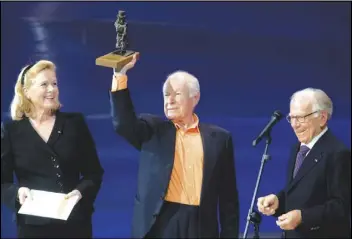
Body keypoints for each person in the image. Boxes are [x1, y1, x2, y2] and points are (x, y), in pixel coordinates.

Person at [109, 54, 239, 238]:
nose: (169, 100)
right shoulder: (152, 130)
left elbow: (228, 198)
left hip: (200, 226)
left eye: (177, 94)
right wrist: (120, 75)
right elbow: (123, 123)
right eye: (166, 95)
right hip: (160, 223)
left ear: (195, 98)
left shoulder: (219, 139)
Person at [1, 60, 104, 238]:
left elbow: (94, 173)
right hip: (33, 226)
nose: (52, 89)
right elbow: (3, 182)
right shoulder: (11, 131)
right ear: (27, 92)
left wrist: (80, 193)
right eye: (44, 84)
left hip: (75, 222)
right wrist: (17, 193)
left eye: (54, 83)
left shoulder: (75, 123)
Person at [257, 88, 351, 238]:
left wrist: (302, 217)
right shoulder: (297, 149)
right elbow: (297, 191)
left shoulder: (337, 153)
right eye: (291, 118)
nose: (294, 125)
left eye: (300, 118)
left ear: (322, 118)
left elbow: (340, 207)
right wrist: (278, 201)